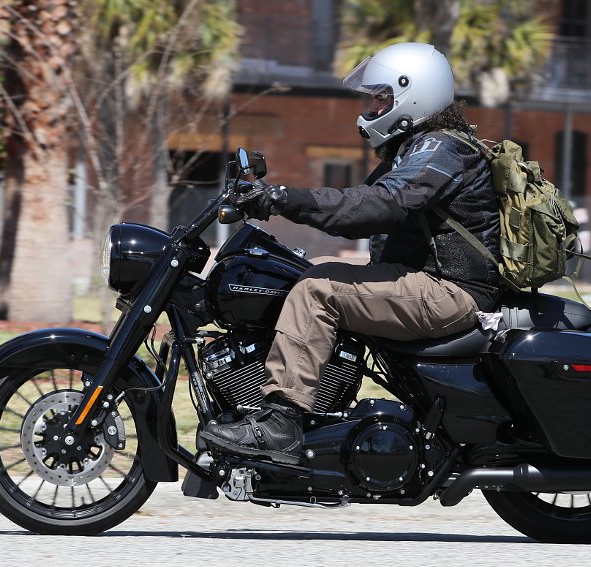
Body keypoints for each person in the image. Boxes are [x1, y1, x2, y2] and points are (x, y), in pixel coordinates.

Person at [200, 42, 501, 465]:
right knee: (310, 272)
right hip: (426, 283)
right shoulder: (415, 147)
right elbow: (366, 200)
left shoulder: (440, 148)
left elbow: (377, 205)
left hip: (451, 291)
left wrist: (285, 199)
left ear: (413, 94)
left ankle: (282, 423)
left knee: (316, 289)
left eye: (382, 96)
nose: (373, 107)